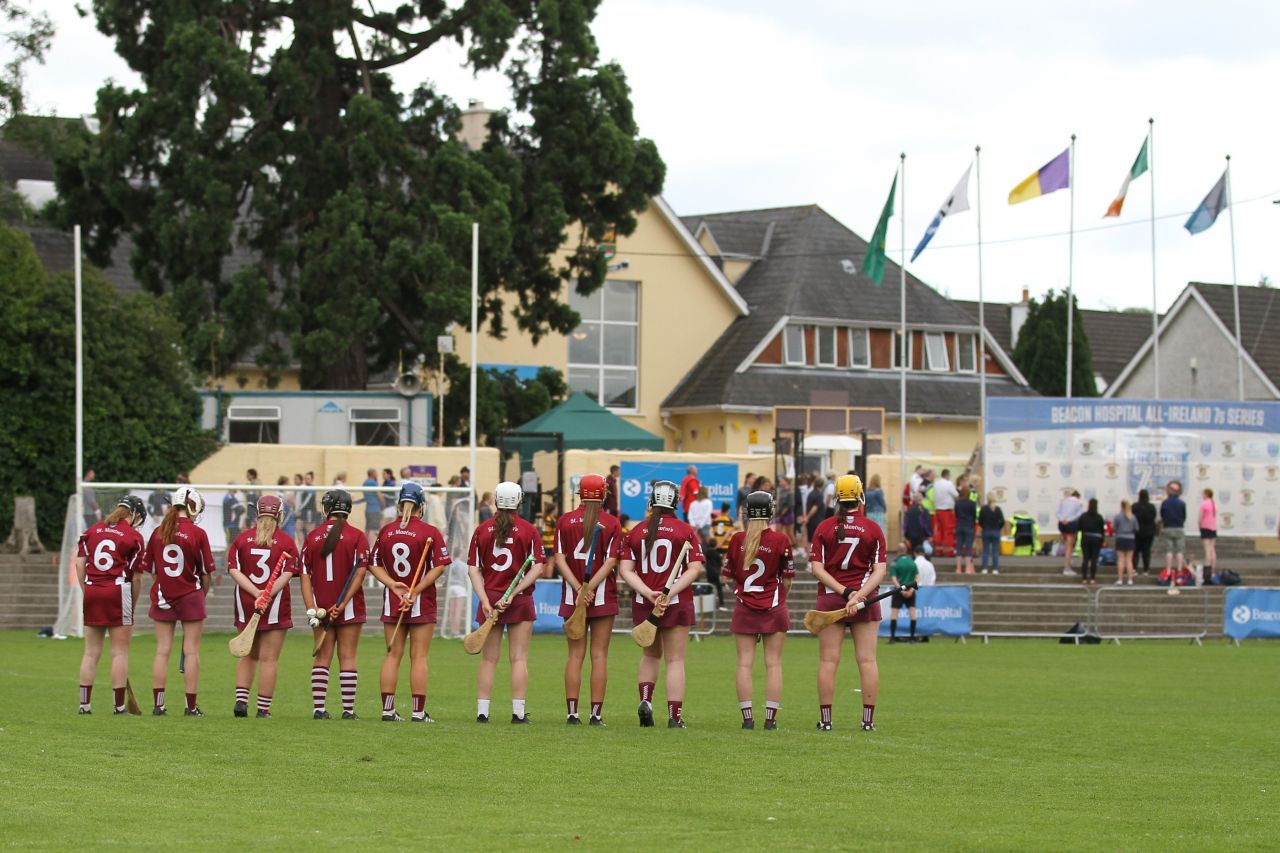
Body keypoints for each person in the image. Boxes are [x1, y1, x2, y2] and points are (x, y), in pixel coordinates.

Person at [619, 479, 705, 728]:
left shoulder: (636, 531)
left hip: (644, 602)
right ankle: (674, 717)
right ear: (675, 502)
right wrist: (669, 593)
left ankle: (646, 700)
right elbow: (695, 569)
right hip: (676, 602)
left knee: (650, 655)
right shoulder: (685, 530)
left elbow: (626, 570)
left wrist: (648, 593)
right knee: (675, 660)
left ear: (651, 501)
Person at [808, 474, 887, 732]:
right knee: (867, 660)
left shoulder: (823, 527)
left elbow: (816, 569)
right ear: (860, 495)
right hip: (865, 600)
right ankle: (868, 721)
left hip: (832, 599)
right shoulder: (873, 529)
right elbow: (880, 570)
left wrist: (844, 592)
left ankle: (826, 721)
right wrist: (859, 595)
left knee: (828, 661)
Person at [367, 483, 450, 723]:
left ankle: (387, 710)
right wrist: (415, 590)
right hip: (421, 600)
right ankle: (417, 712)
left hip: (393, 600)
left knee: (393, 655)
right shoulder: (430, 532)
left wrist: (393, 584)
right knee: (419, 657)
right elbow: (439, 567)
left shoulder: (386, 531)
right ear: (421, 506)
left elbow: (373, 564)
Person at [468, 481, 544, 723]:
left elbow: (473, 570)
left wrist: (483, 600)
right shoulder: (529, 530)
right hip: (519, 600)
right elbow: (538, 567)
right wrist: (513, 593)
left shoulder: (481, 529)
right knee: (519, 658)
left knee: (489, 659)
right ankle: (518, 713)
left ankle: (482, 712)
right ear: (519, 502)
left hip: (489, 597)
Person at [552, 474, 622, 726]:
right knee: (599, 656)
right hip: (602, 596)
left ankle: (572, 713)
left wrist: (579, 589)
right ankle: (595, 714)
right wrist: (590, 587)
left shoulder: (565, 521)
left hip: (573, 596)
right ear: (603, 494)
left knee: (574, 656)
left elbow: (559, 559)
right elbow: (611, 562)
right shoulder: (612, 523)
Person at [723, 491, 793, 730]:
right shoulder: (781, 540)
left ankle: (747, 719)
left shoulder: (736, 540)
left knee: (744, 664)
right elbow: (787, 579)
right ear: (771, 512)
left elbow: (725, 578)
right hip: (774, 606)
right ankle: (771, 720)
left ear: (746, 512)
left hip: (744, 606)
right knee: (773, 663)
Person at [143, 487, 214, 716]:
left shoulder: (157, 532)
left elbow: (153, 571)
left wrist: (165, 584)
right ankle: (190, 706)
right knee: (191, 651)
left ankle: (158, 705)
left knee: (162, 651)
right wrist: (200, 596)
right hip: (191, 595)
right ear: (193, 506)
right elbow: (205, 573)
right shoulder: (198, 533)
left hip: (163, 594)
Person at [226, 495, 299, 718]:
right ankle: (263, 708)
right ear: (279, 515)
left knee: (247, 654)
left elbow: (234, 570)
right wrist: (265, 594)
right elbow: (287, 574)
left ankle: (241, 702)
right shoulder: (286, 542)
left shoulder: (242, 540)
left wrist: (254, 592)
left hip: (247, 602)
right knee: (269, 658)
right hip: (274, 603)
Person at [300, 490, 370, 720]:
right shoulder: (357, 536)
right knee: (348, 656)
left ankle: (318, 709)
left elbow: (304, 575)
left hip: (320, 607)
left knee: (322, 657)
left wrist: (312, 608)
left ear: (326, 508)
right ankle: (348, 711)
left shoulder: (311, 537)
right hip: (348, 607)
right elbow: (360, 573)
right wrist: (343, 603)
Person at [75, 495, 147, 714]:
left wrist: (87, 590)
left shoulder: (92, 530)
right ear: (134, 515)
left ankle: (84, 705)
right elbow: (136, 578)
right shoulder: (133, 536)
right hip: (117, 591)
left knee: (90, 652)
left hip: (93, 589)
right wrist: (131, 603)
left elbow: (80, 564)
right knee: (119, 653)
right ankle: (119, 706)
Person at [888, 542, 919, 643]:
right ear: (906, 551)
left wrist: (900, 589)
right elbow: (918, 577)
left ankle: (892, 638)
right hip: (910, 589)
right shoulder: (912, 562)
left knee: (894, 614)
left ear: (897, 551)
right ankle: (912, 637)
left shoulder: (895, 562)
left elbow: (894, 578)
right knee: (912, 613)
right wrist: (911, 590)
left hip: (899, 591)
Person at [930, 469, 959, 557]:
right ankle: (949, 551)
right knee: (948, 531)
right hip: (947, 510)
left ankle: (939, 550)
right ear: (947, 475)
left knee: (939, 531)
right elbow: (956, 495)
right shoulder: (948, 484)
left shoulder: (936, 483)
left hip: (937, 510)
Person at [1161, 481, 1187, 576]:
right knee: (1180, 551)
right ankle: (1179, 570)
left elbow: (1163, 515)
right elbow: (1184, 516)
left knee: (1169, 551)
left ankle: (1168, 569)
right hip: (1179, 527)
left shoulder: (1165, 503)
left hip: (1168, 527)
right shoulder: (1182, 503)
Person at [1077, 498, 1106, 585]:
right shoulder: (1099, 517)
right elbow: (1102, 530)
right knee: (1094, 559)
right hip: (1096, 539)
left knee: (1085, 558)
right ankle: (1093, 578)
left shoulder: (1083, 516)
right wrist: (1102, 540)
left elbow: (1079, 527)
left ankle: (1084, 578)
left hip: (1085, 538)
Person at [1056, 489, 1085, 575]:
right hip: (1070, 525)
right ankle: (1067, 568)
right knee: (1069, 548)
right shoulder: (1079, 503)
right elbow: (1078, 514)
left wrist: (1063, 519)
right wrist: (1068, 520)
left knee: (1065, 546)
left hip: (1061, 524)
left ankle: (1067, 564)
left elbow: (1057, 512)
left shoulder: (1063, 501)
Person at [953, 475, 977, 574]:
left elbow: (956, 514)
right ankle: (967, 568)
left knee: (958, 547)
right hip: (968, 526)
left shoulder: (957, 503)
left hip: (959, 525)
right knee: (968, 547)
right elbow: (974, 515)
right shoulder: (972, 503)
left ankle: (958, 568)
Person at [978, 492, 1005, 574]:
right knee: (995, 551)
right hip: (996, 531)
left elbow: (980, 521)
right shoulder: (998, 509)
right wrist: (998, 528)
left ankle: (984, 568)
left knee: (985, 550)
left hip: (986, 531)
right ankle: (995, 569)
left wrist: (984, 527)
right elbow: (1002, 521)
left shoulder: (983, 509)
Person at [1132, 489, 1157, 575]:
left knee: (1135, 551)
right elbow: (1153, 517)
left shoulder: (1134, 506)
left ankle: (1134, 569)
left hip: (1137, 532)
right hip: (1149, 532)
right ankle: (1146, 569)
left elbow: (1132, 519)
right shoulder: (1151, 507)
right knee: (1146, 551)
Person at [1113, 500, 1137, 585]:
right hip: (1130, 538)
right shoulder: (1133, 517)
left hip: (1120, 538)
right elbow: (1136, 528)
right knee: (1129, 560)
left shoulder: (1117, 516)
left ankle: (1120, 579)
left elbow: (1114, 528)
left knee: (1121, 560)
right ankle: (1130, 579)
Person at [1199, 488, 1218, 581]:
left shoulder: (1204, 504)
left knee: (1207, 549)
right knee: (1212, 549)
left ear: (1206, 494)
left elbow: (1201, 517)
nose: (1202, 495)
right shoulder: (1214, 504)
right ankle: (1213, 569)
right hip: (1213, 527)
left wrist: (1199, 526)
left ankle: (1207, 568)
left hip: (1205, 527)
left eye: (1203, 494)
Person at [297, 471, 319, 543]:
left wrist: (298, 509)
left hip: (310, 512)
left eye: (308, 478)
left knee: (309, 531)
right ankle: (302, 546)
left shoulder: (312, 489)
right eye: (305, 478)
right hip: (303, 511)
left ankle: (309, 547)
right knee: (298, 527)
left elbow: (306, 501)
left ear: (312, 479)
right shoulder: (304, 488)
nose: (306, 480)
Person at [803, 477, 826, 544]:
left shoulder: (811, 493)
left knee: (810, 538)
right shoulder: (819, 495)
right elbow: (815, 508)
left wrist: (806, 517)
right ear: (822, 485)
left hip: (811, 521)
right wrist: (807, 517)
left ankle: (809, 553)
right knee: (816, 539)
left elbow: (806, 506)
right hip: (816, 520)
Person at [362, 468, 382, 540]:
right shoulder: (373, 483)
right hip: (375, 510)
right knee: (374, 530)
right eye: (376, 473)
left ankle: (366, 546)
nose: (377, 475)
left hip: (368, 510)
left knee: (368, 529)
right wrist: (384, 506)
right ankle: (371, 547)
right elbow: (380, 495)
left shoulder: (365, 483)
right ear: (373, 473)